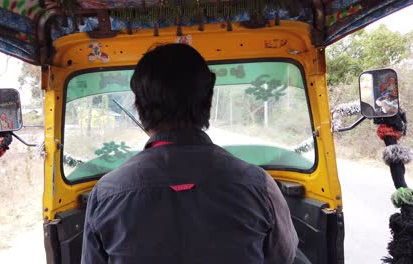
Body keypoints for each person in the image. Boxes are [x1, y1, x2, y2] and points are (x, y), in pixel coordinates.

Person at [81, 44, 298, 264]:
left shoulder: (106, 194)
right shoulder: (260, 186)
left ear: (138, 106)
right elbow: (283, 257)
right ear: (208, 101)